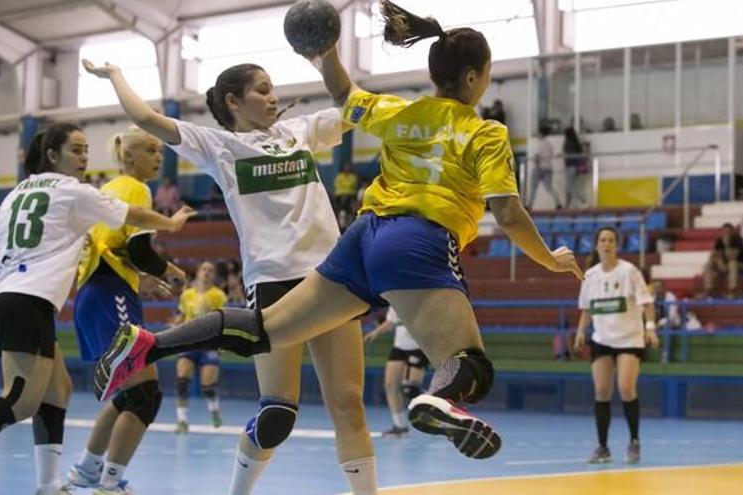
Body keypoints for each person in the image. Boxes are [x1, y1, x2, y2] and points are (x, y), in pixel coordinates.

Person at [92, 0, 582, 463]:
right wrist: (549, 259)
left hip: (357, 242)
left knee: (263, 334)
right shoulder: (485, 132)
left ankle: (150, 343)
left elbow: (347, 99)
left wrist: (325, 54)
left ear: (434, 75)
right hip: (417, 239)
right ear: (474, 76)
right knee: (470, 365)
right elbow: (510, 213)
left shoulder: (398, 111)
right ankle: (438, 398)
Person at [80, 57, 379, 494]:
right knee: (278, 411)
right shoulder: (217, 145)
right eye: (262, 89)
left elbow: (356, 107)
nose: (273, 96)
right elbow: (144, 117)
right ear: (234, 101)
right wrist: (116, 75)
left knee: (349, 402)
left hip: (330, 275)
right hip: (274, 281)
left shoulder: (299, 131)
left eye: (273, 87)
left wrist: (327, 54)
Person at [0, 123, 194, 495]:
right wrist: (171, 223)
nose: (84, 157)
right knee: (20, 403)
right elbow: (133, 219)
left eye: (86, 149)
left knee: (58, 390)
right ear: (53, 155)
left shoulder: (14, 195)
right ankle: (103, 481)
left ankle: (51, 484)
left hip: (19, 297)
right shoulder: (76, 192)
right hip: (32, 299)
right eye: (75, 149)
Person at [68, 126, 190, 495]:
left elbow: (114, 249)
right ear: (130, 156)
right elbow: (139, 250)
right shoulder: (136, 189)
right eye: (151, 150)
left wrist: (139, 277)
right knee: (144, 395)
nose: (158, 157)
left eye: (159, 151)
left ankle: (87, 472)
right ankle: (110, 483)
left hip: (95, 294)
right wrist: (167, 270)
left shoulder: (109, 190)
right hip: (110, 295)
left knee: (128, 393)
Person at [573, 228, 658, 464]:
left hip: (629, 339)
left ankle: (634, 441)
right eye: (602, 240)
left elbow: (647, 303)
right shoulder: (590, 276)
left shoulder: (629, 271)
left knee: (626, 388)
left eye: (611, 240)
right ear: (597, 245)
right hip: (602, 339)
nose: (607, 244)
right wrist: (581, 331)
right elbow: (586, 309)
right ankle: (602, 447)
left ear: (617, 245)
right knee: (601, 391)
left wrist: (650, 328)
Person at [173, 261, 227, 433]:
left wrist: (210, 310)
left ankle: (214, 410)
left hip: (209, 344)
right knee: (182, 382)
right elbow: (182, 315)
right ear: (197, 272)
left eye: (211, 270)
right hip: (189, 341)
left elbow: (222, 319)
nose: (207, 272)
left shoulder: (218, 295)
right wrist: (175, 326)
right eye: (204, 269)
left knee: (208, 387)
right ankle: (182, 421)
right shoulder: (187, 294)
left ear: (214, 275)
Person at [363, 306, 429, 437]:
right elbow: (391, 321)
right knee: (390, 385)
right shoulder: (395, 298)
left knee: (410, 388)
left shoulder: (423, 297)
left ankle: (439, 410)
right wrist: (375, 332)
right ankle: (400, 426)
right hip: (399, 347)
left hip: (419, 347)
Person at [699, 223, 743, 299]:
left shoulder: (737, 240)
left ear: (732, 232)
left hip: (739, 263)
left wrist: (727, 245)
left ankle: (732, 291)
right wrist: (720, 262)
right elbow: (713, 256)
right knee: (708, 264)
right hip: (723, 263)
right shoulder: (719, 240)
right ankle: (708, 289)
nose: (726, 233)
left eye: (728, 231)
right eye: (724, 231)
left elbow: (734, 256)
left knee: (732, 264)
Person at [529, 126, 562, 209]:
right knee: (549, 188)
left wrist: (536, 166)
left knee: (533, 188)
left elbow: (537, 157)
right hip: (548, 168)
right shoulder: (549, 144)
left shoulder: (539, 144)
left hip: (539, 168)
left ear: (541, 133)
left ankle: (529, 205)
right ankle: (557, 202)